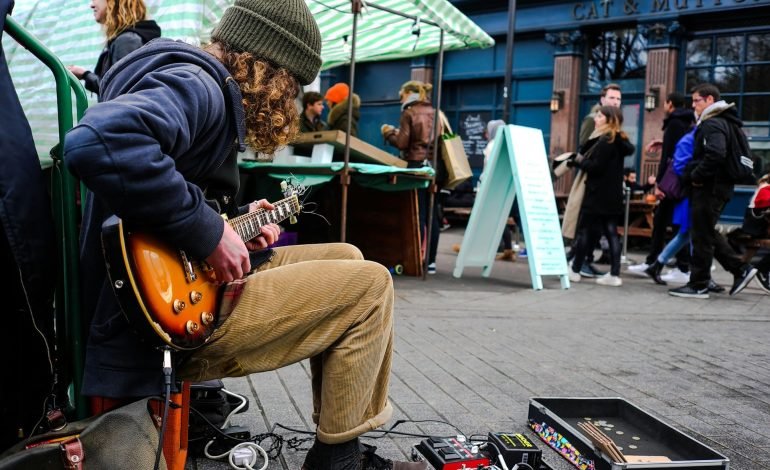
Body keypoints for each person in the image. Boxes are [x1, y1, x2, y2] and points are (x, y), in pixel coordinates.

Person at [62, 1, 424, 469]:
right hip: (151, 322)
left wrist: (232, 224)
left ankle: (341, 443)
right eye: (291, 86)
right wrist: (209, 231)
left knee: (350, 256)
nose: (289, 102)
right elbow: (99, 141)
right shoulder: (200, 86)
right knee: (372, 287)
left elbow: (165, 191)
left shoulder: (191, 79)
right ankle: (339, 461)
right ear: (269, 68)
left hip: (161, 290)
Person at [669, 83, 757, 299]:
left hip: (710, 187)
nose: (693, 105)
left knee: (701, 235)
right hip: (719, 186)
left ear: (709, 100)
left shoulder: (713, 123)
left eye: (696, 100)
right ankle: (739, 270)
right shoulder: (726, 121)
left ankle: (699, 284)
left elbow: (716, 154)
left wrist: (696, 175)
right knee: (706, 232)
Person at [628, 92, 694, 281]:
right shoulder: (688, 123)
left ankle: (662, 264)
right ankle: (675, 265)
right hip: (681, 182)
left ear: (669, 104)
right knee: (674, 224)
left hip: (671, 183)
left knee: (663, 223)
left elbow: (668, 157)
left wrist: (659, 184)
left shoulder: (674, 123)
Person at [568, 106, 634, 287]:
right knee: (611, 232)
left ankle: (574, 270)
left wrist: (579, 162)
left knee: (585, 232)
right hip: (613, 195)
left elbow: (596, 167)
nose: (596, 119)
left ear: (608, 119)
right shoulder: (620, 140)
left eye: (599, 116)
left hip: (597, 194)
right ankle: (614, 274)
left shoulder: (606, 140)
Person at [382, 80, 441, 274]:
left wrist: (388, 132)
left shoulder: (409, 112)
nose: (401, 99)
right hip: (432, 166)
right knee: (432, 214)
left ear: (409, 93)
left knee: (417, 213)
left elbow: (402, 142)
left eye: (401, 95)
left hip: (415, 166)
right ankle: (430, 261)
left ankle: (416, 258)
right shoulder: (435, 112)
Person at [67, 0, 160, 95]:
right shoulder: (128, 38)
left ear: (114, 2)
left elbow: (120, 90)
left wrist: (85, 74)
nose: (91, 5)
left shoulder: (127, 40)